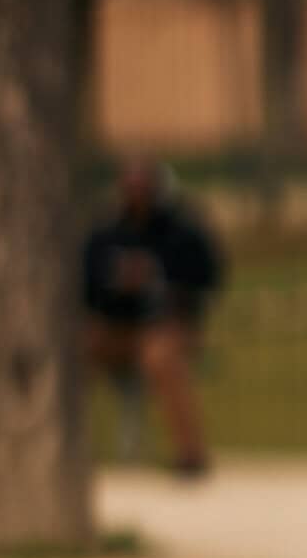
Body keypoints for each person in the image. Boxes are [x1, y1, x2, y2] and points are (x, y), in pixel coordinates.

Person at [82, 157, 225, 474]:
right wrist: (116, 280)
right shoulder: (107, 231)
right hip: (114, 328)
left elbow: (206, 279)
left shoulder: (182, 231)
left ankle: (190, 454)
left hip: (165, 328)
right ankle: (67, 449)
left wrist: (157, 278)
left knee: (161, 357)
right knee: (70, 352)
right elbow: (85, 284)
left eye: (142, 187)